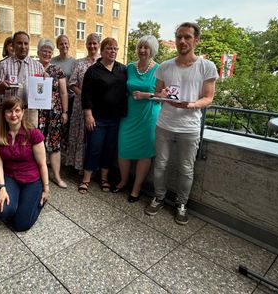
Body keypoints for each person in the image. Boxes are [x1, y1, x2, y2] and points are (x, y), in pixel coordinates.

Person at [144, 22, 218, 225]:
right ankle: (159, 197)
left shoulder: (207, 66)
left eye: (187, 37)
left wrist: (193, 104)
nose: (182, 41)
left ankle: (181, 204)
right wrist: (163, 94)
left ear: (196, 40)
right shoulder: (165, 66)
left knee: (186, 168)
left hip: (190, 127)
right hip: (165, 124)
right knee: (160, 165)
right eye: (179, 37)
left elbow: (209, 97)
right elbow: (158, 92)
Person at [0, 96, 49, 232]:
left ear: (23, 112)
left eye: (17, 110)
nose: (13, 115)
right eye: (9, 111)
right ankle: (15, 199)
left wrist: (46, 188)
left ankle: (38, 201)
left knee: (21, 225)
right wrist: (1, 187)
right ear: (3, 113)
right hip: (9, 177)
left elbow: (42, 164)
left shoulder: (34, 134)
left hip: (31, 179)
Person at [78, 37, 127, 194]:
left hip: (115, 118)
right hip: (97, 118)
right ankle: (86, 179)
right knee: (94, 148)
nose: (112, 51)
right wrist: (88, 115)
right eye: (109, 48)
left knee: (109, 149)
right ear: (102, 50)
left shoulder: (122, 69)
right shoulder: (93, 70)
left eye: (115, 48)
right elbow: (86, 94)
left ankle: (104, 179)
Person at [117, 35, 161, 201]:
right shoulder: (129, 67)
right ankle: (123, 181)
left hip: (148, 115)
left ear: (152, 50)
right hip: (129, 114)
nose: (142, 50)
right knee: (123, 148)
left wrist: (146, 95)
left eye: (146, 47)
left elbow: (162, 96)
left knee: (145, 153)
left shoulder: (159, 69)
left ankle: (136, 187)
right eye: (140, 47)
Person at [65, 33, 100, 174]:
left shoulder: (103, 63)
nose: (92, 46)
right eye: (89, 43)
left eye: (95, 43)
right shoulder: (79, 63)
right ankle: (78, 165)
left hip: (98, 107)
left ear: (99, 45)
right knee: (80, 134)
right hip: (80, 105)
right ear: (86, 45)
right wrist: (85, 96)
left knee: (94, 136)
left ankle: (92, 167)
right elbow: (72, 83)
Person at [0, 31, 44, 127]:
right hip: (11, 112)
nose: (23, 46)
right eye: (19, 43)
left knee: (30, 139)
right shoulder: (4, 64)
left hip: (30, 111)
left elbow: (42, 89)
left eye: (26, 43)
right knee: (11, 140)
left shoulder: (38, 66)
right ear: (13, 45)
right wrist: (2, 85)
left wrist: (45, 79)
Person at [37, 39, 69, 188]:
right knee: (36, 143)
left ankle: (56, 176)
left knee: (54, 144)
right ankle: (37, 176)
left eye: (49, 52)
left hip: (55, 112)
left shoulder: (57, 70)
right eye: (44, 51)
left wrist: (65, 112)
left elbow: (63, 92)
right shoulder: (32, 68)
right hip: (36, 112)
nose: (47, 54)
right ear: (38, 52)